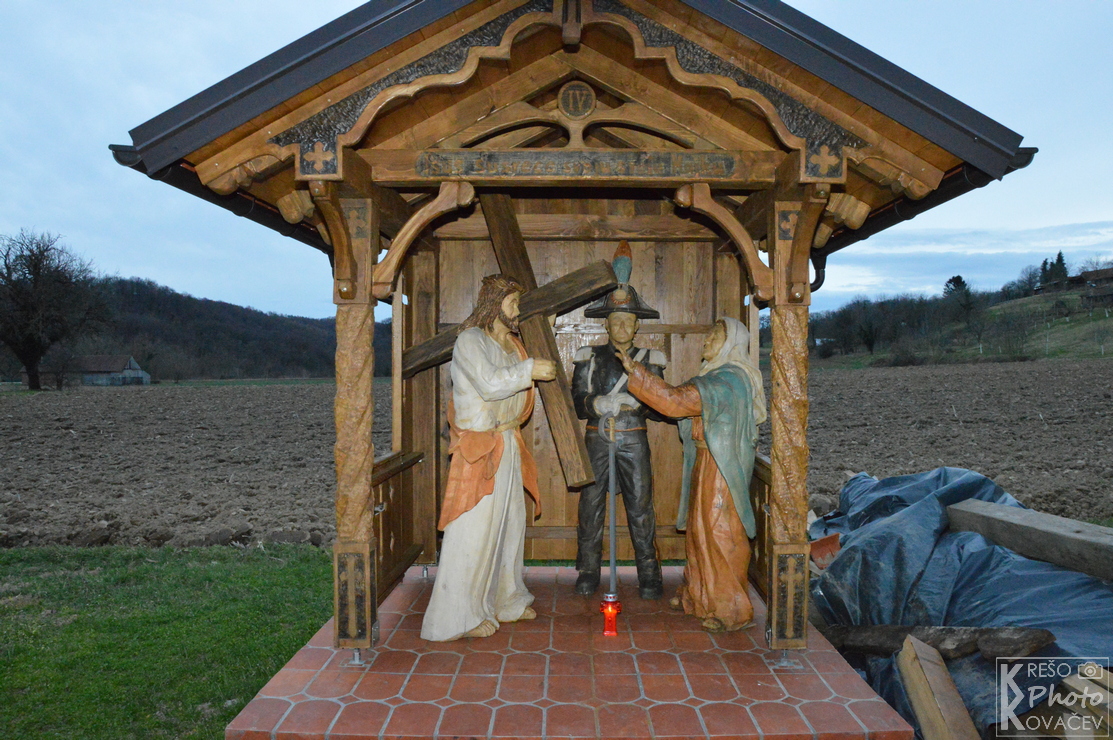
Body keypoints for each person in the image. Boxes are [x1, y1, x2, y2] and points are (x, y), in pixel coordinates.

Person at [420, 274, 556, 642]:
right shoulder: (470, 340)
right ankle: (455, 618)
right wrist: (529, 370)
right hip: (480, 448)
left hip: (507, 439)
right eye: (513, 303)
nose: (517, 310)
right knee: (474, 531)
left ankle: (505, 600)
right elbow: (489, 383)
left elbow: (513, 384)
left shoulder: (512, 344)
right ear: (495, 304)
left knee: (510, 527)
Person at [617, 316, 766, 632]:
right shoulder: (717, 376)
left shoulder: (730, 379)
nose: (706, 341)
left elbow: (677, 401)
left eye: (714, 336)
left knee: (720, 532)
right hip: (707, 460)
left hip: (721, 467)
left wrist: (637, 373)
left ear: (730, 344)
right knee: (700, 531)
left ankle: (731, 609)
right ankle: (699, 596)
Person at [571, 308, 666, 599]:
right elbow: (577, 401)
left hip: (633, 436)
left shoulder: (649, 359)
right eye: (616, 321)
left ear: (637, 326)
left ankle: (649, 573)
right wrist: (596, 403)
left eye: (628, 321)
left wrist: (639, 403)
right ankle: (588, 570)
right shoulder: (590, 356)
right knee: (591, 505)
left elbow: (661, 404)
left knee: (640, 505)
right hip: (597, 436)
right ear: (606, 325)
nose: (622, 326)